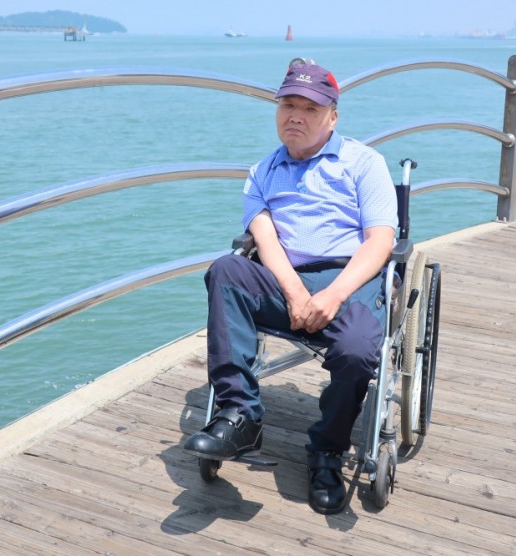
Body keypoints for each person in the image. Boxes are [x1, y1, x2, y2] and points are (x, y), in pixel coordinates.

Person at [183, 62, 398, 515]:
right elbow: (264, 240)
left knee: (358, 349)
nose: (295, 116)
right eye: (287, 105)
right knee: (226, 269)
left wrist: (332, 295)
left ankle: (327, 450)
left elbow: (380, 242)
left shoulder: (364, 163)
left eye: (310, 108)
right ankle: (240, 415)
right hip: (285, 280)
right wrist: (297, 294)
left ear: (333, 116)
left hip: (349, 279)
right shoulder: (262, 171)